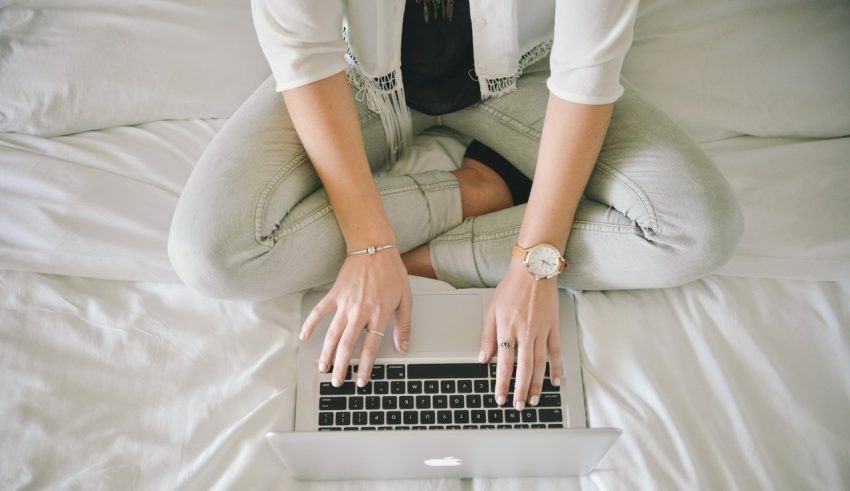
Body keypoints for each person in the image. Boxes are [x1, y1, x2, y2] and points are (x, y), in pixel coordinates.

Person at [168, 0, 743, 413]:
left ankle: (412, 254)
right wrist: (368, 244)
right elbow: (303, 50)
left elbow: (586, 73)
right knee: (212, 255)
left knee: (698, 230)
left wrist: (533, 263)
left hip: (533, 78)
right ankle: (477, 191)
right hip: (356, 82)